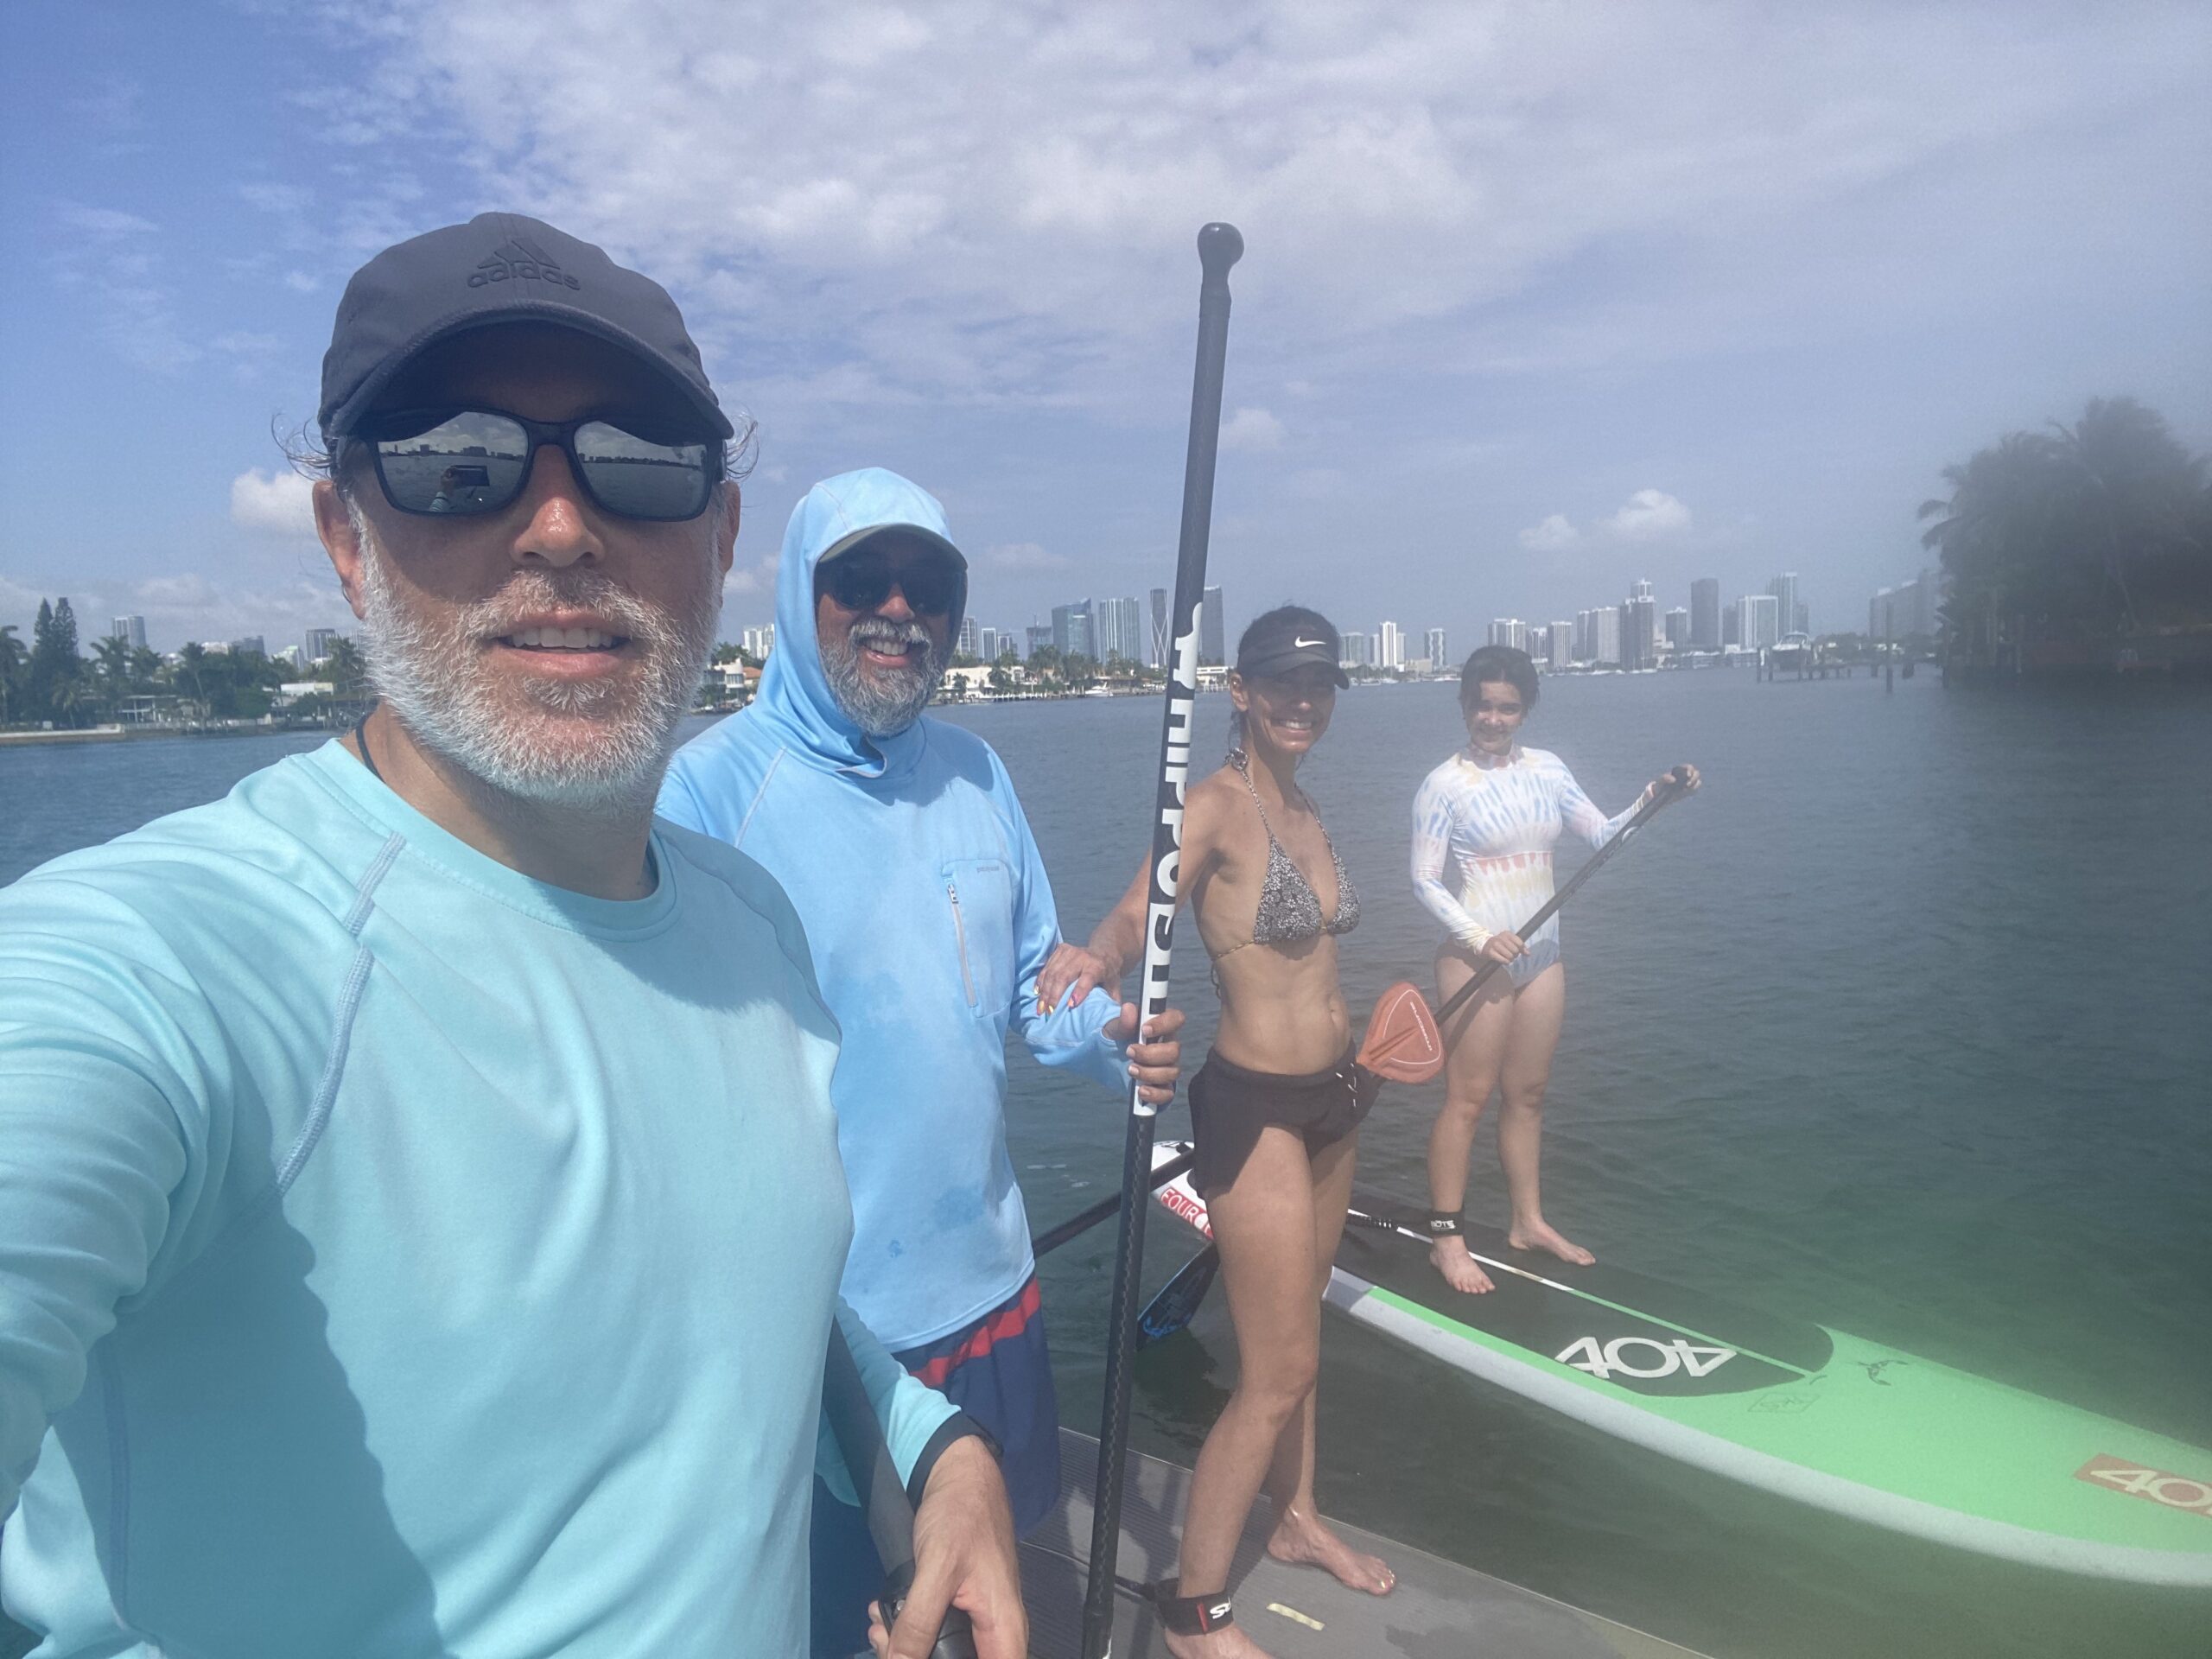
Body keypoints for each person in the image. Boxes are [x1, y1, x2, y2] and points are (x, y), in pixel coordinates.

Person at [0, 213, 1021, 1659]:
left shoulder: (749, 928)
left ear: (720, 541)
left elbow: (737, 1268)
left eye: (642, 461)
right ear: (348, 539)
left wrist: (926, 1442)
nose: (559, 525)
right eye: (455, 459)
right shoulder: (164, 969)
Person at [656, 466, 1185, 1656]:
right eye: (862, 580)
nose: (901, 611)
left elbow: (1036, 989)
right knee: (862, 1625)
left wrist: (1118, 1042)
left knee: (998, 1601)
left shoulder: (979, 774)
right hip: (831, 1331)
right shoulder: (705, 795)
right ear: (800, 593)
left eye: (931, 586)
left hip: (991, 1290)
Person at [1041, 607, 1394, 1659]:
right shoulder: (1214, 808)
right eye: (1281, 682)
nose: (1302, 701)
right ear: (1237, 691)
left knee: (1300, 1342)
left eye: (1320, 683)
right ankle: (1194, 1612)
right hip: (1253, 1109)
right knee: (1274, 1368)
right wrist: (1097, 960)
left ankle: (1293, 1516)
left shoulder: (1310, 809)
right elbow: (1137, 907)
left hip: (1338, 1096)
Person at [1409, 644, 1698, 1293]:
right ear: (1464, 705)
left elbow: (1605, 836)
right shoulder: (1442, 784)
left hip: (1543, 956)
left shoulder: (1549, 769)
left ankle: (1526, 1222)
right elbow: (1425, 881)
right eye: (1482, 705)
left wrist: (1655, 798)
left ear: (1525, 711)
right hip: (1477, 959)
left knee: (1529, 1096)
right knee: (1468, 1099)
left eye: (1507, 707)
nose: (1493, 718)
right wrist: (1481, 938)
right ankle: (1446, 1239)